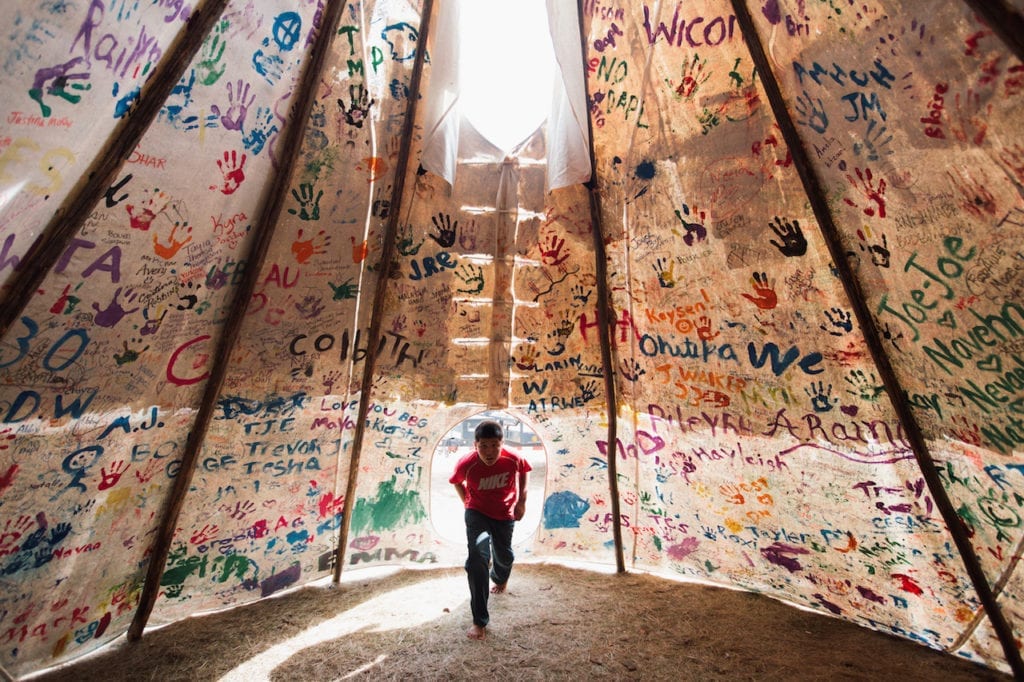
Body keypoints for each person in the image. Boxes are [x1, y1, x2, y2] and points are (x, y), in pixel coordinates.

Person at [449, 419, 531, 640]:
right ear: (475, 445)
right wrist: (467, 501)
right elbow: (456, 481)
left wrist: (522, 501)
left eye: (495, 445)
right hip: (477, 514)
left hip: (504, 514)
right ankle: (479, 621)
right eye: (484, 445)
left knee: (504, 555)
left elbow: (524, 470)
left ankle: (500, 576)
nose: (490, 451)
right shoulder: (466, 463)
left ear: (502, 443)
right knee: (477, 560)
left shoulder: (512, 458)